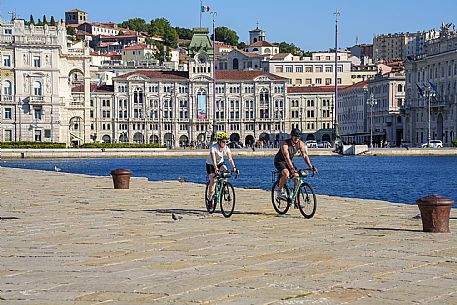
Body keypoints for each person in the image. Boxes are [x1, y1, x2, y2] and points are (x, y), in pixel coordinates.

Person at [274, 128, 317, 199]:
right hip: (279, 161)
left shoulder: (301, 144)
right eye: (295, 137)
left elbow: (305, 156)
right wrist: (292, 169)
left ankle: (295, 198)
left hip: (289, 161)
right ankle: (279, 191)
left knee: (297, 178)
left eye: (298, 138)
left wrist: (311, 166)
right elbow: (286, 157)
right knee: (286, 173)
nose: (297, 139)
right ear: (292, 136)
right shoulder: (284, 144)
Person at [206, 132, 239, 201]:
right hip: (210, 164)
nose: (225, 143)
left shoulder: (226, 148)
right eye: (223, 141)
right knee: (213, 181)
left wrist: (234, 168)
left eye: (226, 141)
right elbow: (213, 159)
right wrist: (215, 168)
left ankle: (224, 186)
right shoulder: (213, 147)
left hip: (220, 163)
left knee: (226, 170)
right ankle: (210, 198)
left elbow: (230, 159)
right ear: (219, 141)